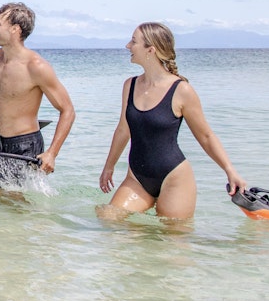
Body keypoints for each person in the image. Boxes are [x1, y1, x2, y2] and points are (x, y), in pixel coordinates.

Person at [98, 22, 247, 219]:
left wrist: (230, 170)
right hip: (137, 178)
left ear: (150, 50)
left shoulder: (181, 90)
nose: (128, 46)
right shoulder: (130, 85)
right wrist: (109, 167)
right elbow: (123, 130)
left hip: (174, 178)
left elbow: (205, 136)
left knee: (173, 244)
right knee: (109, 218)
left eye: (133, 41)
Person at [0, 2, 75, 188]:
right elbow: (0, 95)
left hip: (24, 146)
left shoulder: (36, 67)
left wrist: (52, 153)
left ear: (15, 29)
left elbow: (68, 110)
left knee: (16, 205)